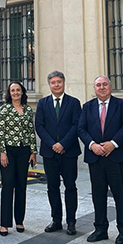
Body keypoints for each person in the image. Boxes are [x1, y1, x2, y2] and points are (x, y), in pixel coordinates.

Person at [78, 76, 123, 244]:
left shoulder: (121, 105)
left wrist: (113, 144)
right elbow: (81, 129)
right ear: (94, 88)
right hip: (96, 157)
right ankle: (100, 229)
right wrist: (92, 145)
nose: (101, 87)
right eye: (98, 85)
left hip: (117, 157)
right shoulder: (87, 107)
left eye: (104, 84)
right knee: (98, 194)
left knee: (120, 195)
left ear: (110, 86)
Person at [36, 70, 82, 235]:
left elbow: (77, 125)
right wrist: (52, 144)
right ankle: (56, 220)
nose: (56, 85)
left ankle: (71, 221)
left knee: (70, 186)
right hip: (50, 153)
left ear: (64, 83)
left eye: (59, 82)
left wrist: (63, 144)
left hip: (69, 152)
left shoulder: (74, 103)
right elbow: (39, 126)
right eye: (53, 82)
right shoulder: (43, 103)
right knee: (52, 187)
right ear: (49, 85)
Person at [0, 81, 37, 236]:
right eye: (12, 90)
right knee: (7, 185)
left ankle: (19, 220)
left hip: (24, 151)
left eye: (18, 90)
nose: (15, 93)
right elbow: (0, 132)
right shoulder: (4, 109)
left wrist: (33, 152)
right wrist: (2, 152)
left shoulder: (27, 109)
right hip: (8, 151)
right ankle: (4, 223)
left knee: (21, 186)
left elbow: (31, 131)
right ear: (9, 93)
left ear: (22, 92)